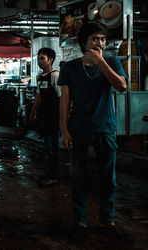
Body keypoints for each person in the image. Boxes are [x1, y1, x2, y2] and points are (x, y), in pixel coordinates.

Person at [58, 22, 127, 235]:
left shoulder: (113, 62)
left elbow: (122, 86)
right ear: (84, 43)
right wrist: (64, 130)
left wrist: (101, 62)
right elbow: (65, 99)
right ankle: (80, 221)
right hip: (78, 128)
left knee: (108, 178)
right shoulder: (69, 67)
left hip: (105, 128)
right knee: (78, 178)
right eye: (94, 39)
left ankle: (107, 221)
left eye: (102, 39)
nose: (100, 43)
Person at [29, 48, 61, 186]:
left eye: (43, 58)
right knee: (47, 147)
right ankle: (51, 173)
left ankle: (55, 176)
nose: (40, 61)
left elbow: (62, 98)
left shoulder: (55, 76)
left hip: (54, 117)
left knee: (52, 146)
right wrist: (33, 111)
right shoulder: (39, 77)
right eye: (39, 58)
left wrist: (62, 119)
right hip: (44, 116)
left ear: (51, 59)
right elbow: (38, 97)